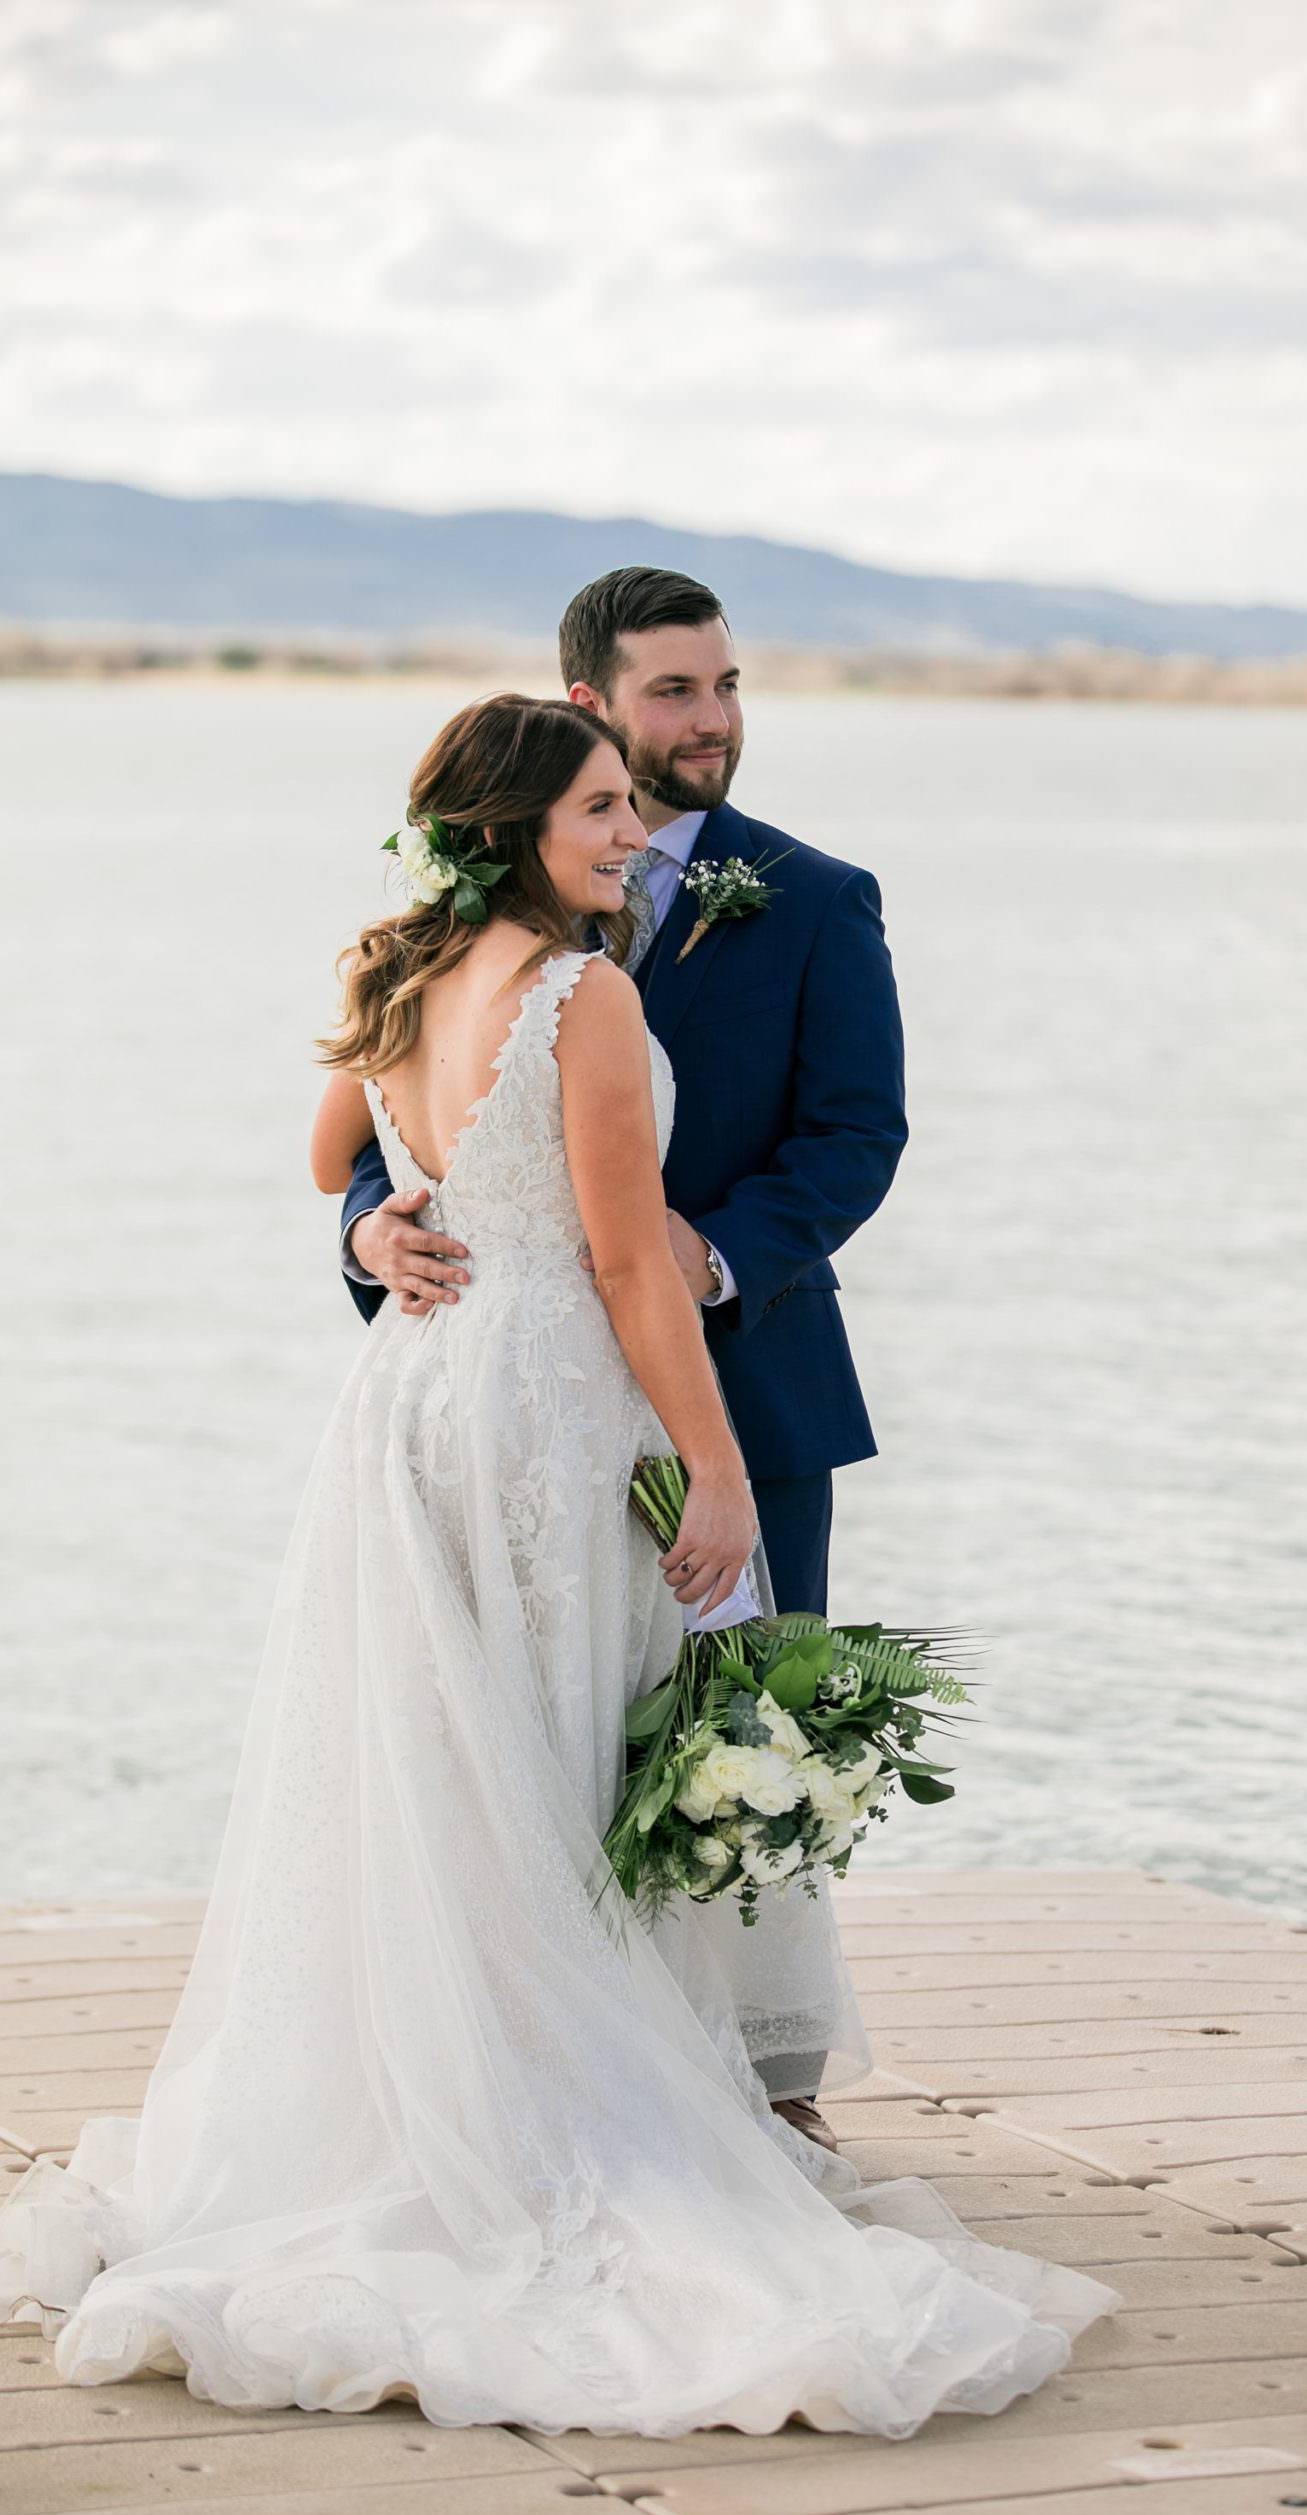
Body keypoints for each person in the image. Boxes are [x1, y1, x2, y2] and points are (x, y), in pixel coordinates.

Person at [0, 694, 1115, 2435]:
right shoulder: (584, 994)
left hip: (416, 1398)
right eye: (596, 807)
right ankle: (551, 2130)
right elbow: (632, 1267)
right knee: (556, 1757)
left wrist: (384, 1220)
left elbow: (332, 1157)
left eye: (628, 809)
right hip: (556, 1405)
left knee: (451, 1760)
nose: (632, 833)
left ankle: (448, 2097)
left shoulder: (406, 971)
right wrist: (714, 1467)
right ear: (516, 826)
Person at [343, 568, 907, 2145]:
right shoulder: (462, 928)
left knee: (741, 1731)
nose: (713, 720)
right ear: (587, 705)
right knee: (525, 1734)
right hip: (517, 1402)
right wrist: (376, 1234)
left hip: (749, 1383)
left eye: (727, 685)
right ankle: (559, 2083)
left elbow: (856, 1136)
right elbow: (375, 1143)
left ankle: (773, 2099)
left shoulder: (811, 895)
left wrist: (706, 1255)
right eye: (674, 692)